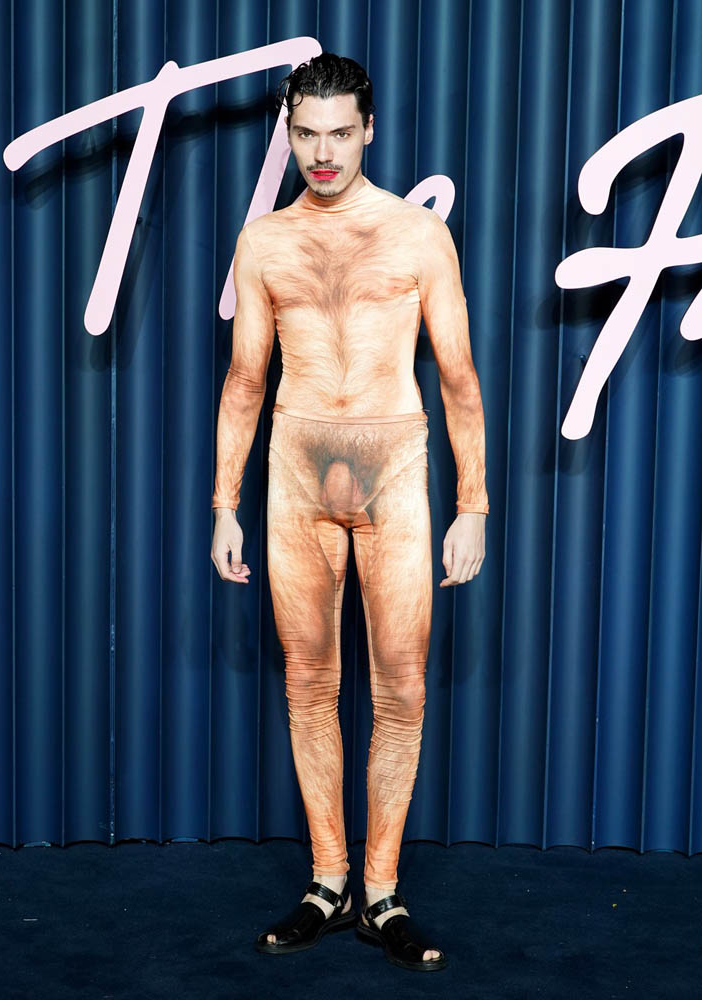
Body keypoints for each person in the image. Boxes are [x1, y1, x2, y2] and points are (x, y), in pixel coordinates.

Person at [210, 52, 488, 972]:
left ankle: (383, 890)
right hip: (295, 471)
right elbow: (245, 380)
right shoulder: (264, 242)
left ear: (369, 130)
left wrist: (474, 505)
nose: (322, 153)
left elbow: (458, 377)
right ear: (288, 133)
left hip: (393, 468)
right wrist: (224, 504)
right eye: (306, 134)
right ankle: (328, 881)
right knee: (308, 683)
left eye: (339, 133)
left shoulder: (417, 235)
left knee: (402, 688)